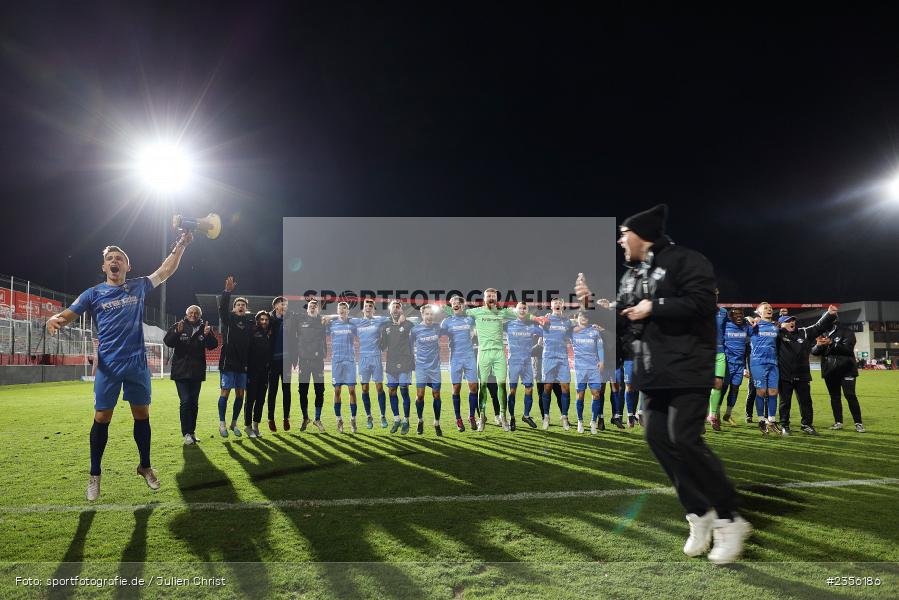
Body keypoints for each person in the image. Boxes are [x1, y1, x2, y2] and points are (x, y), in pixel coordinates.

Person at [576, 204, 749, 564]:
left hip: (688, 366)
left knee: (684, 438)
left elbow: (703, 303)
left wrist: (655, 306)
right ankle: (699, 512)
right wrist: (591, 306)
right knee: (657, 438)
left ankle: (730, 518)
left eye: (624, 234)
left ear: (642, 235)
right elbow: (622, 321)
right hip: (652, 372)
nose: (620, 241)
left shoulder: (687, 260)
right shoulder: (631, 276)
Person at [47, 233, 193, 501]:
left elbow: (165, 271)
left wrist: (181, 245)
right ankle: (94, 475)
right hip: (109, 366)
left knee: (142, 414)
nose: (114, 261)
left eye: (119, 258)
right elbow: (67, 314)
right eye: (110, 259)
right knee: (102, 417)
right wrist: (55, 319)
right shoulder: (93, 294)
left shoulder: (139, 286)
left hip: (137, 363)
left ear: (127, 266)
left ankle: (145, 466)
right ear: (104, 266)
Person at [442, 288, 524, 432]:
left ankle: (492, 416)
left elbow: (520, 315)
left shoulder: (492, 313)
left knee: (489, 387)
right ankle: (469, 417)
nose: (491, 298)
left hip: (488, 354)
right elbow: (451, 317)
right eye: (488, 296)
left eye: (493, 296)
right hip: (470, 355)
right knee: (467, 387)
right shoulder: (462, 317)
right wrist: (445, 307)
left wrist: (534, 317)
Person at [776, 307, 837, 435]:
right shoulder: (777, 334)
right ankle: (784, 425)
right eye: (788, 321)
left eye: (793, 320)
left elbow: (818, 326)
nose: (792, 322)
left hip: (802, 375)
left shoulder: (804, 332)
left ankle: (807, 425)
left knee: (806, 402)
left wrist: (829, 314)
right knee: (784, 403)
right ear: (781, 324)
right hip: (784, 375)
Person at [163, 304, 218, 445]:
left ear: (200, 315)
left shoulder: (204, 328)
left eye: (196, 313)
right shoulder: (179, 325)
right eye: (191, 312)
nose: (193, 315)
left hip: (196, 372)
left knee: (194, 403)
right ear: (187, 314)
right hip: (181, 371)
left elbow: (213, 345)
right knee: (185, 401)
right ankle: (186, 433)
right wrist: (177, 332)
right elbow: (168, 342)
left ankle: (192, 432)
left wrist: (208, 335)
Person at [218, 276, 254, 438]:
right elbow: (222, 309)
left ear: (246, 308)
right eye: (238, 305)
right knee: (225, 392)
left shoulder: (250, 322)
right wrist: (227, 292)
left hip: (243, 363)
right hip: (228, 362)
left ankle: (233, 423)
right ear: (234, 308)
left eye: (243, 305)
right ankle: (222, 424)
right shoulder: (228, 319)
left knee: (240, 394)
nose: (240, 306)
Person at [286, 297, 329, 431]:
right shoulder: (300, 319)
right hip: (304, 361)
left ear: (318, 309)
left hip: (318, 362)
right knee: (303, 391)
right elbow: (288, 315)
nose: (312, 307)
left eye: (315, 306)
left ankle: (317, 419)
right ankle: (305, 418)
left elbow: (337, 317)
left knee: (319, 391)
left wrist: (327, 317)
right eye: (310, 305)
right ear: (307, 308)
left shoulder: (322, 321)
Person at [812, 322, 865, 432]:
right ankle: (838, 422)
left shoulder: (846, 331)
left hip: (847, 370)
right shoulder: (821, 334)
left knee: (850, 395)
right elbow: (814, 352)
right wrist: (818, 345)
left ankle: (858, 423)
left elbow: (848, 349)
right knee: (834, 397)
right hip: (830, 371)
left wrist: (831, 343)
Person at [440, 296, 479, 432]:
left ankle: (471, 416)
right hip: (455, 357)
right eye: (453, 303)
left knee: (473, 387)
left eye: (459, 303)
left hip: (469, 357)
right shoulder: (446, 322)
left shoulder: (470, 319)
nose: (456, 305)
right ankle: (458, 419)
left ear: (463, 305)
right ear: (451, 306)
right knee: (456, 388)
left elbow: (482, 318)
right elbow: (437, 334)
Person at [351, 298, 392, 429]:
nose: (368, 308)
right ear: (363, 309)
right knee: (364, 388)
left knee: (379, 387)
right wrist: (327, 318)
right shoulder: (357, 322)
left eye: (370, 306)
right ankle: (369, 416)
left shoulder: (379, 320)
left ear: (374, 309)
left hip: (376, 357)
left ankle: (383, 416)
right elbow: (342, 318)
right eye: (366, 306)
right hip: (363, 358)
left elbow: (393, 318)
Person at [506, 302, 543, 429]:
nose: (522, 310)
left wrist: (545, 321)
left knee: (529, 389)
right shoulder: (509, 324)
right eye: (520, 308)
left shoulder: (532, 325)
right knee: (512, 390)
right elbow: (493, 327)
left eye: (524, 308)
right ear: (516, 310)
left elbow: (546, 331)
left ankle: (526, 416)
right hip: (514, 362)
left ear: (527, 311)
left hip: (527, 362)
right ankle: (512, 417)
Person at [748, 302, 782, 435]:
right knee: (761, 391)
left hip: (773, 363)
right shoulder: (754, 325)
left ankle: (771, 421)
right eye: (766, 308)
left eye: (770, 308)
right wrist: (748, 318)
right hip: (758, 363)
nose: (769, 309)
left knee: (773, 392)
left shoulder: (775, 327)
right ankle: (761, 420)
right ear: (759, 312)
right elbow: (744, 324)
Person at [539, 298, 573, 431]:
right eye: (555, 303)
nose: (558, 305)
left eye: (560, 303)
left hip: (563, 357)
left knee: (566, 388)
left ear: (563, 306)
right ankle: (546, 416)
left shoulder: (567, 322)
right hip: (548, 357)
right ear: (551, 306)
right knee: (547, 388)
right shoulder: (545, 319)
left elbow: (573, 334)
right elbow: (534, 326)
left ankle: (564, 417)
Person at [380, 300, 414, 434]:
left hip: (405, 362)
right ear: (390, 311)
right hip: (391, 363)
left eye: (398, 307)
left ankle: (406, 420)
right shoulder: (386, 326)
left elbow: (413, 328)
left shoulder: (408, 324)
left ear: (401, 310)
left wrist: (404, 320)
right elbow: (383, 345)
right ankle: (397, 419)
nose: (395, 309)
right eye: (393, 307)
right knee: (392, 391)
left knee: (404, 390)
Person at [571, 310, 606, 434]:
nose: (584, 318)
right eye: (581, 316)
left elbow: (600, 347)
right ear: (577, 318)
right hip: (580, 368)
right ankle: (580, 421)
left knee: (596, 394)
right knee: (580, 395)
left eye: (586, 316)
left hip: (593, 367)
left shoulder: (595, 331)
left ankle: (593, 421)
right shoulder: (572, 331)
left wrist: (601, 361)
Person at [411, 305, 444, 435]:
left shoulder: (437, 328)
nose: (429, 316)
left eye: (431, 314)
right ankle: (420, 420)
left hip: (435, 367)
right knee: (420, 396)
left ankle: (437, 422)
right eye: (427, 314)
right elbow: (409, 345)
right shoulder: (415, 330)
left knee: (436, 395)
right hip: (421, 367)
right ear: (422, 315)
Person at [327, 302, 358, 433]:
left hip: (350, 360)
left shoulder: (353, 324)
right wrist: (331, 317)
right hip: (337, 361)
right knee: (337, 391)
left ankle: (353, 419)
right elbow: (321, 324)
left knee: (352, 390)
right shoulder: (332, 325)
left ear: (347, 311)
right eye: (340, 308)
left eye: (344, 308)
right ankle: (339, 419)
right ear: (337, 310)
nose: (342, 310)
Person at [245, 311, 274, 438]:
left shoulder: (269, 333)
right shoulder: (252, 332)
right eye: (261, 319)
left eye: (266, 319)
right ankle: (247, 426)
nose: (264, 321)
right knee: (250, 400)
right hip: (252, 371)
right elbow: (246, 350)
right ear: (257, 320)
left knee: (261, 400)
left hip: (265, 372)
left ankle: (256, 426)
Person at [720, 308, 750, 426]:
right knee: (722, 389)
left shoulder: (745, 326)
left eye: (741, 314)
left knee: (735, 389)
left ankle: (727, 415)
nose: (739, 316)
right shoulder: (725, 325)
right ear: (730, 317)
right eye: (736, 314)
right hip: (727, 363)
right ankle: (715, 413)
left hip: (739, 364)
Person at [266, 296, 292, 432]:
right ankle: (270, 418)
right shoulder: (268, 319)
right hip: (273, 362)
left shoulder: (290, 319)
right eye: (282, 304)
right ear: (275, 306)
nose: (285, 306)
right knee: (273, 391)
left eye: (286, 304)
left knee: (286, 391)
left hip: (286, 361)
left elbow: (294, 339)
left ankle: (286, 418)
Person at [706, 299, 728, 431]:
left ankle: (712, 415)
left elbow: (732, 323)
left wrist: (748, 319)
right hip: (703, 352)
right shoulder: (697, 309)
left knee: (718, 384)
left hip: (719, 353)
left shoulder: (723, 312)